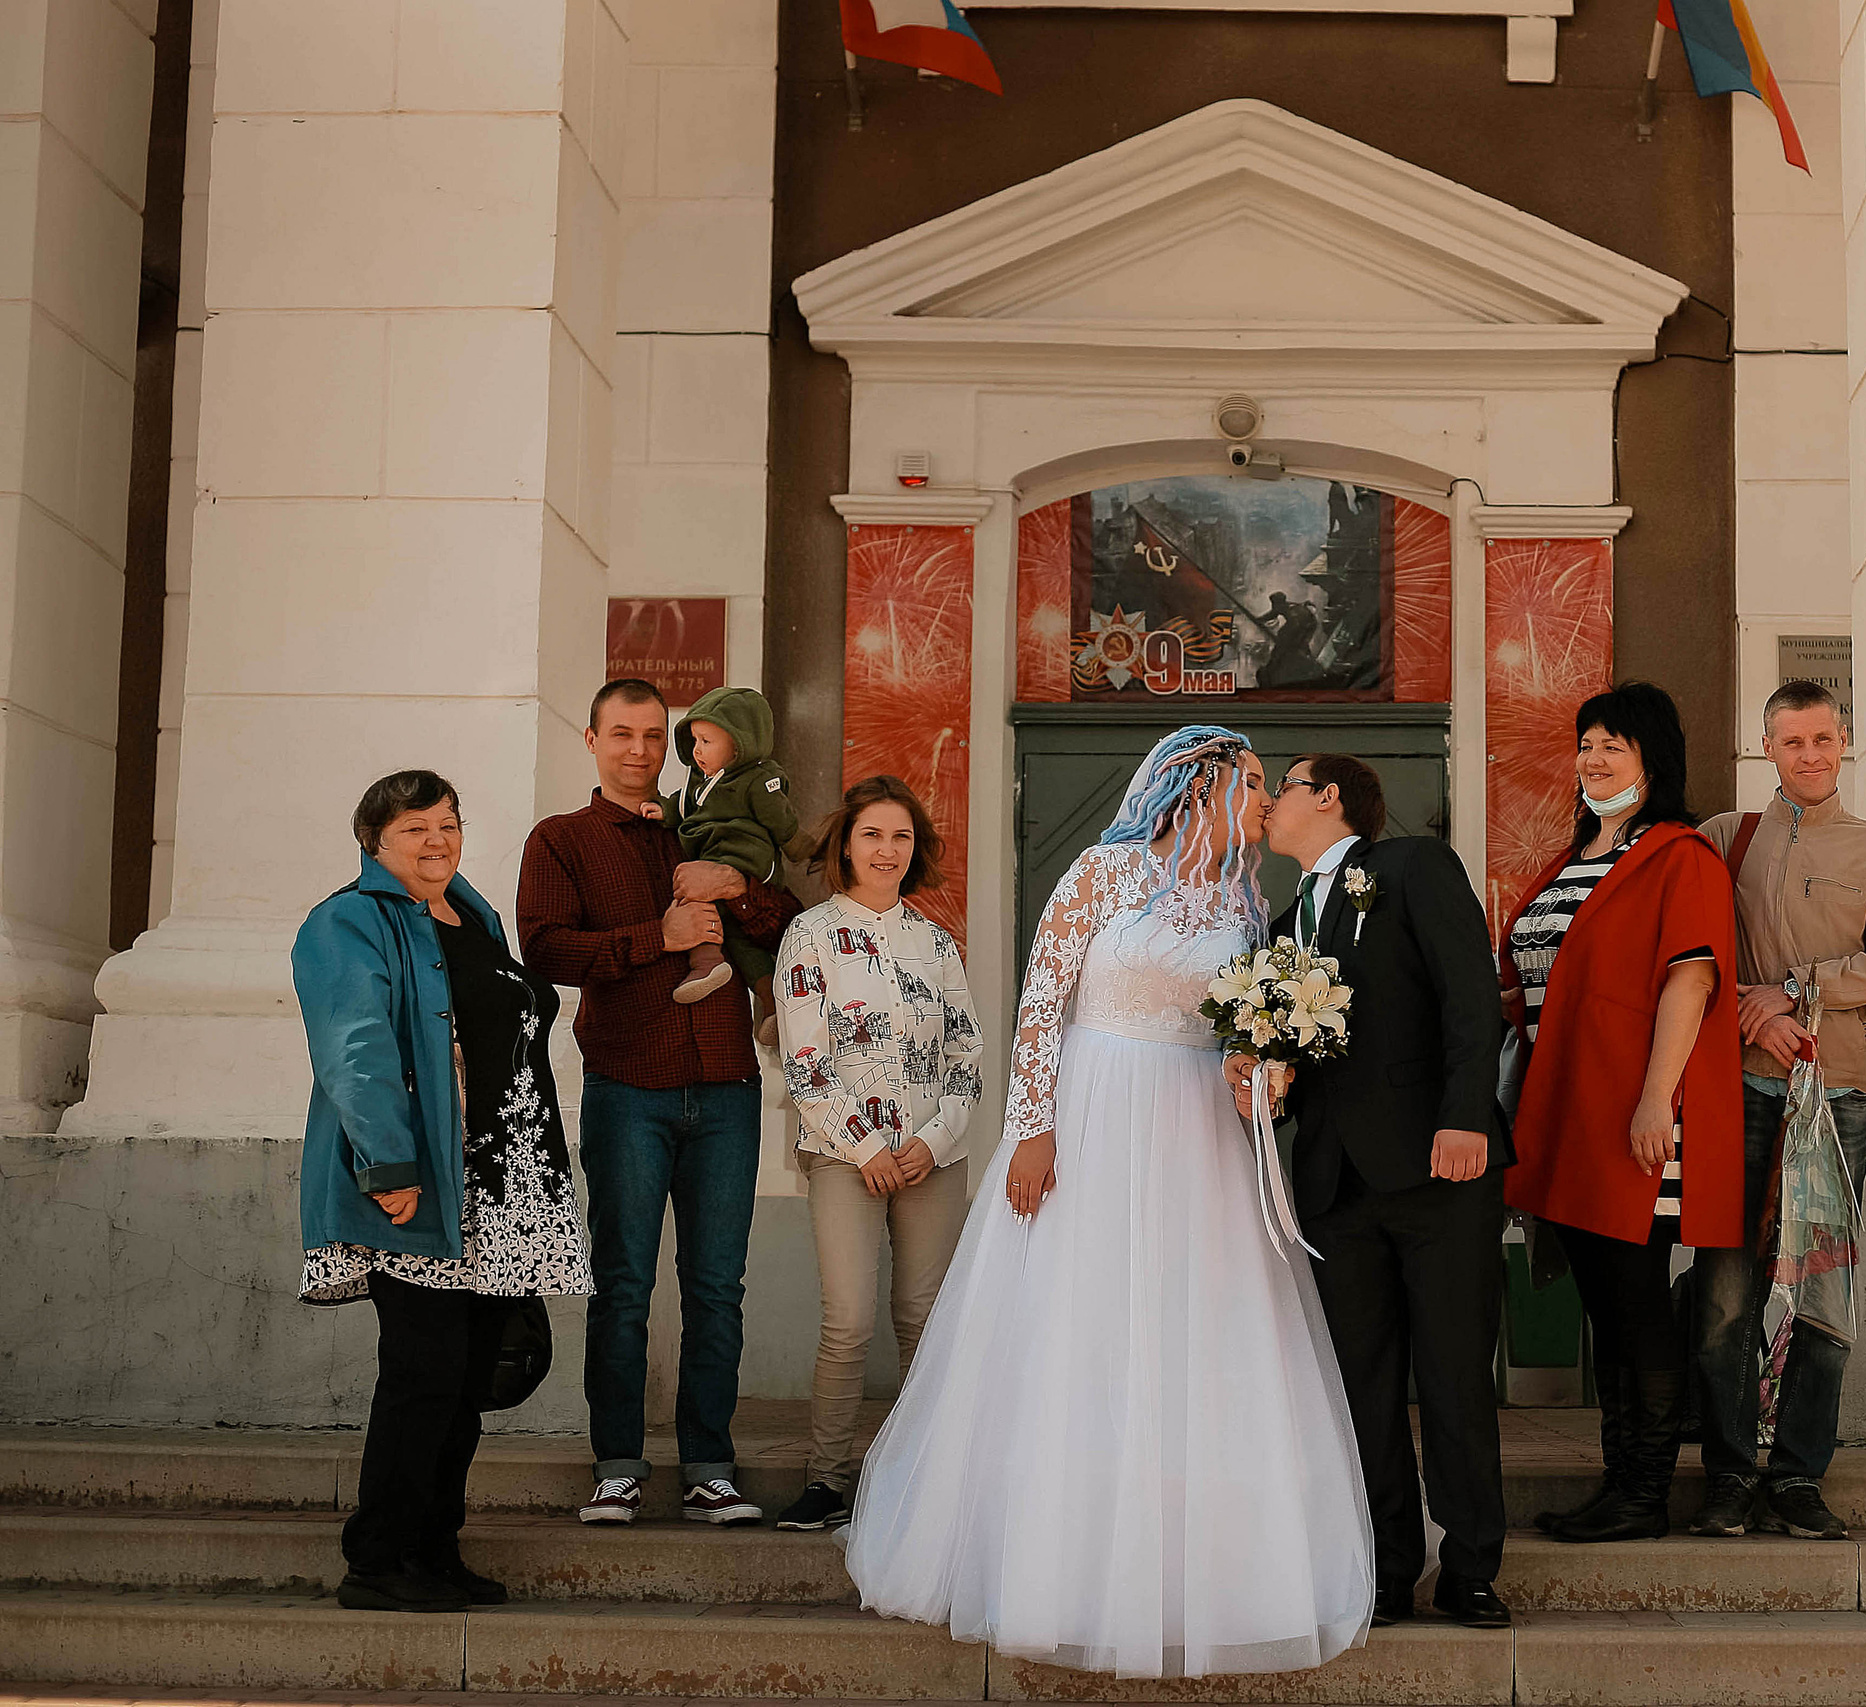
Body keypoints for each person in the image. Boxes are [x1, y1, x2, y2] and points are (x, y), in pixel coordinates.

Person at [846, 727, 1372, 1678]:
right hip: (1091, 1113)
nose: (1262, 801)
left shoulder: (1248, 903)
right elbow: (1042, 998)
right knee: (1078, 1319)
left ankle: (1200, 1563)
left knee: (1198, 1325)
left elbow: (1242, 1030)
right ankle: (1060, 1557)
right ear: (1198, 786)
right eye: (1251, 783)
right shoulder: (1102, 871)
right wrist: (1033, 1125)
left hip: (1200, 1137)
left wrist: (1262, 1076)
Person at [294, 770, 592, 1612]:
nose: (436, 840)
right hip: (425, 1182)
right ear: (374, 843)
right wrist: (389, 1167)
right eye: (414, 828)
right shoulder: (349, 921)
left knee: (466, 1379)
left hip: (501, 1182)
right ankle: (377, 1557)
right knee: (423, 1373)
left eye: (447, 823)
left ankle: (434, 1547)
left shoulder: (477, 912)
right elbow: (354, 1048)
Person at [517, 679, 800, 1528]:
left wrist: (735, 887)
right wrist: (658, 939)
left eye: (653, 735)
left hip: (726, 1088)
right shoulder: (561, 839)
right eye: (622, 734)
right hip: (625, 1088)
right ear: (593, 739)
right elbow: (543, 947)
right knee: (624, 1283)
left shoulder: (710, 816)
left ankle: (711, 1465)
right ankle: (618, 1465)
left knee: (717, 1287)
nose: (640, 750)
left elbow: (784, 917)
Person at [1244, 752, 1513, 1628]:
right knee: (1362, 1386)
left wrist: (1465, 1115)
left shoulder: (1409, 867)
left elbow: (1472, 995)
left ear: (1327, 798)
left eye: (1278, 787)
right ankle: (1388, 1568)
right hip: (1333, 1182)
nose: (1266, 805)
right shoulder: (1284, 923)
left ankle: (1470, 1568)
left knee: (1453, 1377)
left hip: (1440, 1167)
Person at [1498, 684, 1744, 1546]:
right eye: (1587, 744)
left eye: (1616, 745)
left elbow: (1693, 976)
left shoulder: (1679, 855)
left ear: (1654, 759)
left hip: (1633, 1112)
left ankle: (1642, 1490)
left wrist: (1654, 1098)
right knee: (1604, 1302)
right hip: (1567, 1110)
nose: (1595, 758)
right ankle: (1621, 1480)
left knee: (1634, 1301)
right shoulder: (1570, 860)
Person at [1695, 679, 1866, 1542]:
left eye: (1824, 739)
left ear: (1844, 741)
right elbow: (1690, 954)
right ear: (1768, 749)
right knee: (1725, 1295)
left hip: (1836, 1099)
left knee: (1821, 1296)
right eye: (1793, 742)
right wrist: (1748, 1010)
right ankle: (1725, 1475)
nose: (1812, 755)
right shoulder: (1726, 839)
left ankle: (1795, 1477)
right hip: (1737, 1092)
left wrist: (1794, 992)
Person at [768, 776, 983, 1534]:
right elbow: (805, 1059)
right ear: (845, 845)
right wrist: (865, 1146)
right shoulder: (811, 935)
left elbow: (966, 1053)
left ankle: (926, 1479)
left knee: (924, 1318)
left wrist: (932, 1139)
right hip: (841, 1154)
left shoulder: (935, 941)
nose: (887, 849)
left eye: (901, 836)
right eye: (872, 835)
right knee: (850, 1321)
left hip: (932, 1158)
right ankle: (827, 1481)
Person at [656, 685, 798, 1047]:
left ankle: (705, 962)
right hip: (712, 854)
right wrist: (664, 810)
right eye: (695, 740)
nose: (698, 750)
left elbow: (780, 820)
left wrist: (800, 846)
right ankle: (770, 1003)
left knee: (694, 892)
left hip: (743, 856)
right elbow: (684, 806)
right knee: (740, 939)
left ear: (739, 744)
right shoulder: (700, 781)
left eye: (707, 741)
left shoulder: (757, 779)